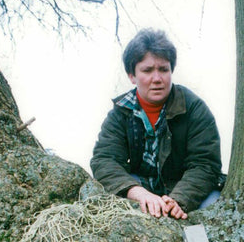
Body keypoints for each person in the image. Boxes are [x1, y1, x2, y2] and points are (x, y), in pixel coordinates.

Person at [91, 28, 224, 220]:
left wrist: (179, 199)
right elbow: (104, 160)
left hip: (185, 188)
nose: (157, 79)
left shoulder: (194, 108)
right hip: (140, 187)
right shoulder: (120, 113)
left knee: (215, 210)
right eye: (147, 70)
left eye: (164, 69)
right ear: (132, 75)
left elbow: (205, 164)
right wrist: (138, 193)